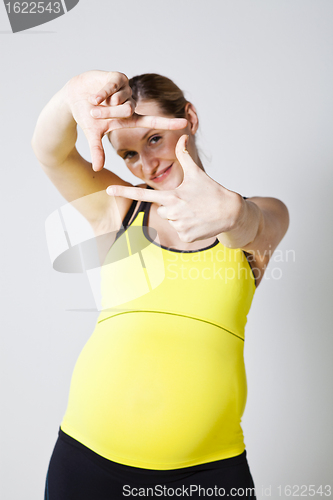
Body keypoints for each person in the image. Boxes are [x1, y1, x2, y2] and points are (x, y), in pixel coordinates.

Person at [32, 70, 289, 500]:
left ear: (187, 117)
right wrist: (67, 97)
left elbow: (257, 225)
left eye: (154, 139)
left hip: (208, 474)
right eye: (129, 154)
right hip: (86, 463)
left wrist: (235, 217)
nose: (147, 164)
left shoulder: (255, 214)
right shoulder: (119, 208)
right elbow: (50, 153)